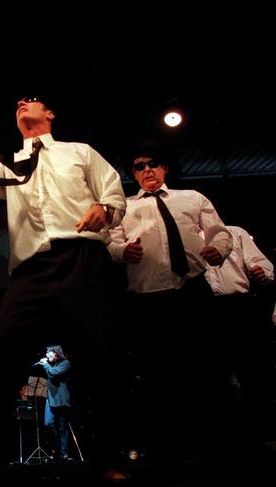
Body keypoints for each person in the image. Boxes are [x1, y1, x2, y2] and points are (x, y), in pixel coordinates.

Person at [0, 76, 127, 479]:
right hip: (31, 269)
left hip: (81, 257)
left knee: (100, 358)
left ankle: (113, 460)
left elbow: (114, 191)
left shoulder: (78, 152)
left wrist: (104, 208)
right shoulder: (9, 163)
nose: (21, 103)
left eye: (30, 99)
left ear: (49, 113)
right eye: (17, 101)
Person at [107, 140, 233, 466]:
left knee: (205, 370)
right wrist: (122, 252)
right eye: (139, 165)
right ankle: (165, 452)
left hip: (192, 292)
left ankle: (214, 446)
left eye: (152, 163)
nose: (147, 170)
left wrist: (219, 249)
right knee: (156, 377)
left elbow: (220, 232)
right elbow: (110, 241)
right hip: (148, 300)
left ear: (164, 168)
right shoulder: (124, 205)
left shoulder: (192, 198)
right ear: (133, 173)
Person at [204, 225, 275, 455]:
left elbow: (263, 263)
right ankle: (225, 443)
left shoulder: (234, 232)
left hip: (240, 306)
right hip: (205, 310)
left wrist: (261, 273)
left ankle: (258, 438)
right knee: (215, 379)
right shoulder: (182, 237)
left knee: (254, 374)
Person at [36, 344, 71, 462]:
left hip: (61, 400)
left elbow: (54, 374)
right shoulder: (51, 365)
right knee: (48, 423)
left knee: (62, 427)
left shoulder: (65, 363)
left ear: (55, 353)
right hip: (50, 400)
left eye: (48, 352)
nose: (46, 355)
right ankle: (56, 448)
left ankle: (64, 452)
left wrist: (45, 364)